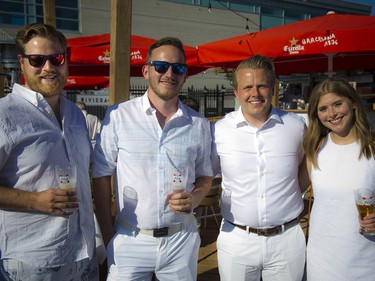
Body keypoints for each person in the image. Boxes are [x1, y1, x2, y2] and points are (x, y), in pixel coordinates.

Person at [92, 37, 213, 280]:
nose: (169, 73)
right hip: (129, 239)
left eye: (177, 68)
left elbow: (205, 175)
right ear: (146, 71)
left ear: (185, 75)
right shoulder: (118, 116)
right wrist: (108, 235)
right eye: (161, 66)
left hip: (181, 239)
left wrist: (195, 196)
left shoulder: (198, 124)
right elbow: (101, 175)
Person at [0, 23, 98, 280]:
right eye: (37, 60)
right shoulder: (4, 115)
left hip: (84, 253)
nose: (48, 67)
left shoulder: (76, 115)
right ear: (22, 63)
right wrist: (34, 200)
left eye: (56, 58)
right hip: (34, 261)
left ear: (66, 60)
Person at [211, 55, 310, 281]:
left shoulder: (296, 126)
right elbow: (207, 175)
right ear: (236, 92)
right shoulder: (220, 131)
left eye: (262, 85)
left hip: (287, 239)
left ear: (273, 88)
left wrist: (293, 191)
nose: (254, 93)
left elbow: (308, 165)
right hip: (237, 239)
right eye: (247, 87)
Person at [303, 78, 375, 280]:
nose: (332, 114)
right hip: (322, 259)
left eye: (337, 104)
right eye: (323, 108)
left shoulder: (372, 148)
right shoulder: (314, 148)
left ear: (352, 102)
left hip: (366, 259)